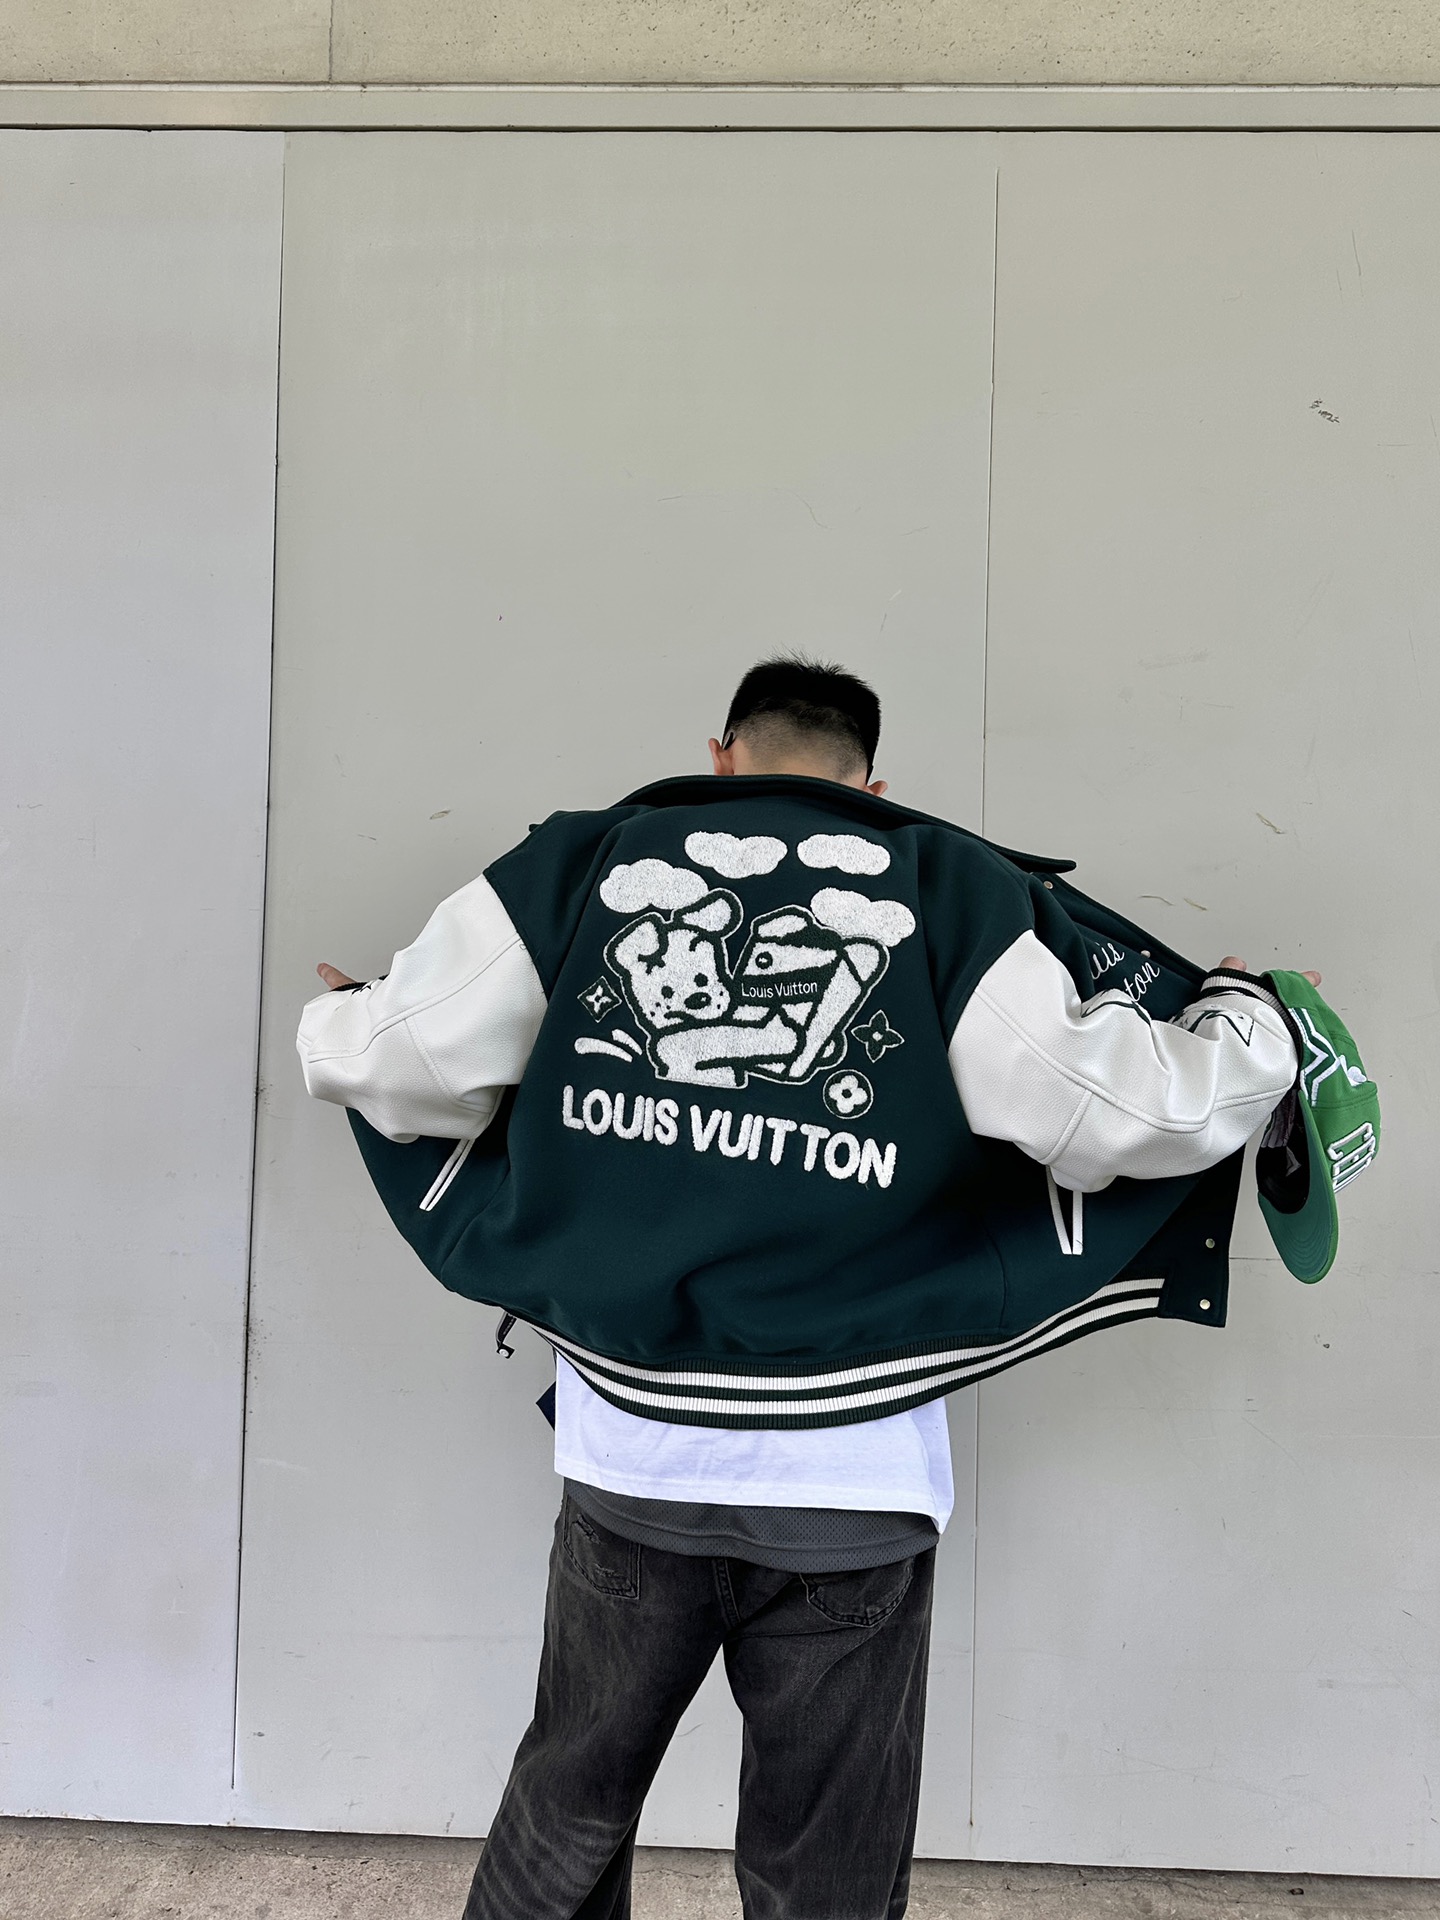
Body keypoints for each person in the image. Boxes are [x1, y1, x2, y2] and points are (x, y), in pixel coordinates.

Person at [301, 658, 1314, 1920]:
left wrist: (339, 1025)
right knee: (823, 1871)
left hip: (635, 1462)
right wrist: (1245, 1025)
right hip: (854, 1480)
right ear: (871, 784)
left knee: (566, 1813)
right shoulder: (949, 887)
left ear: (721, 755)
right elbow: (1120, 1112)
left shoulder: (582, 862)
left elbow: (403, 1056)